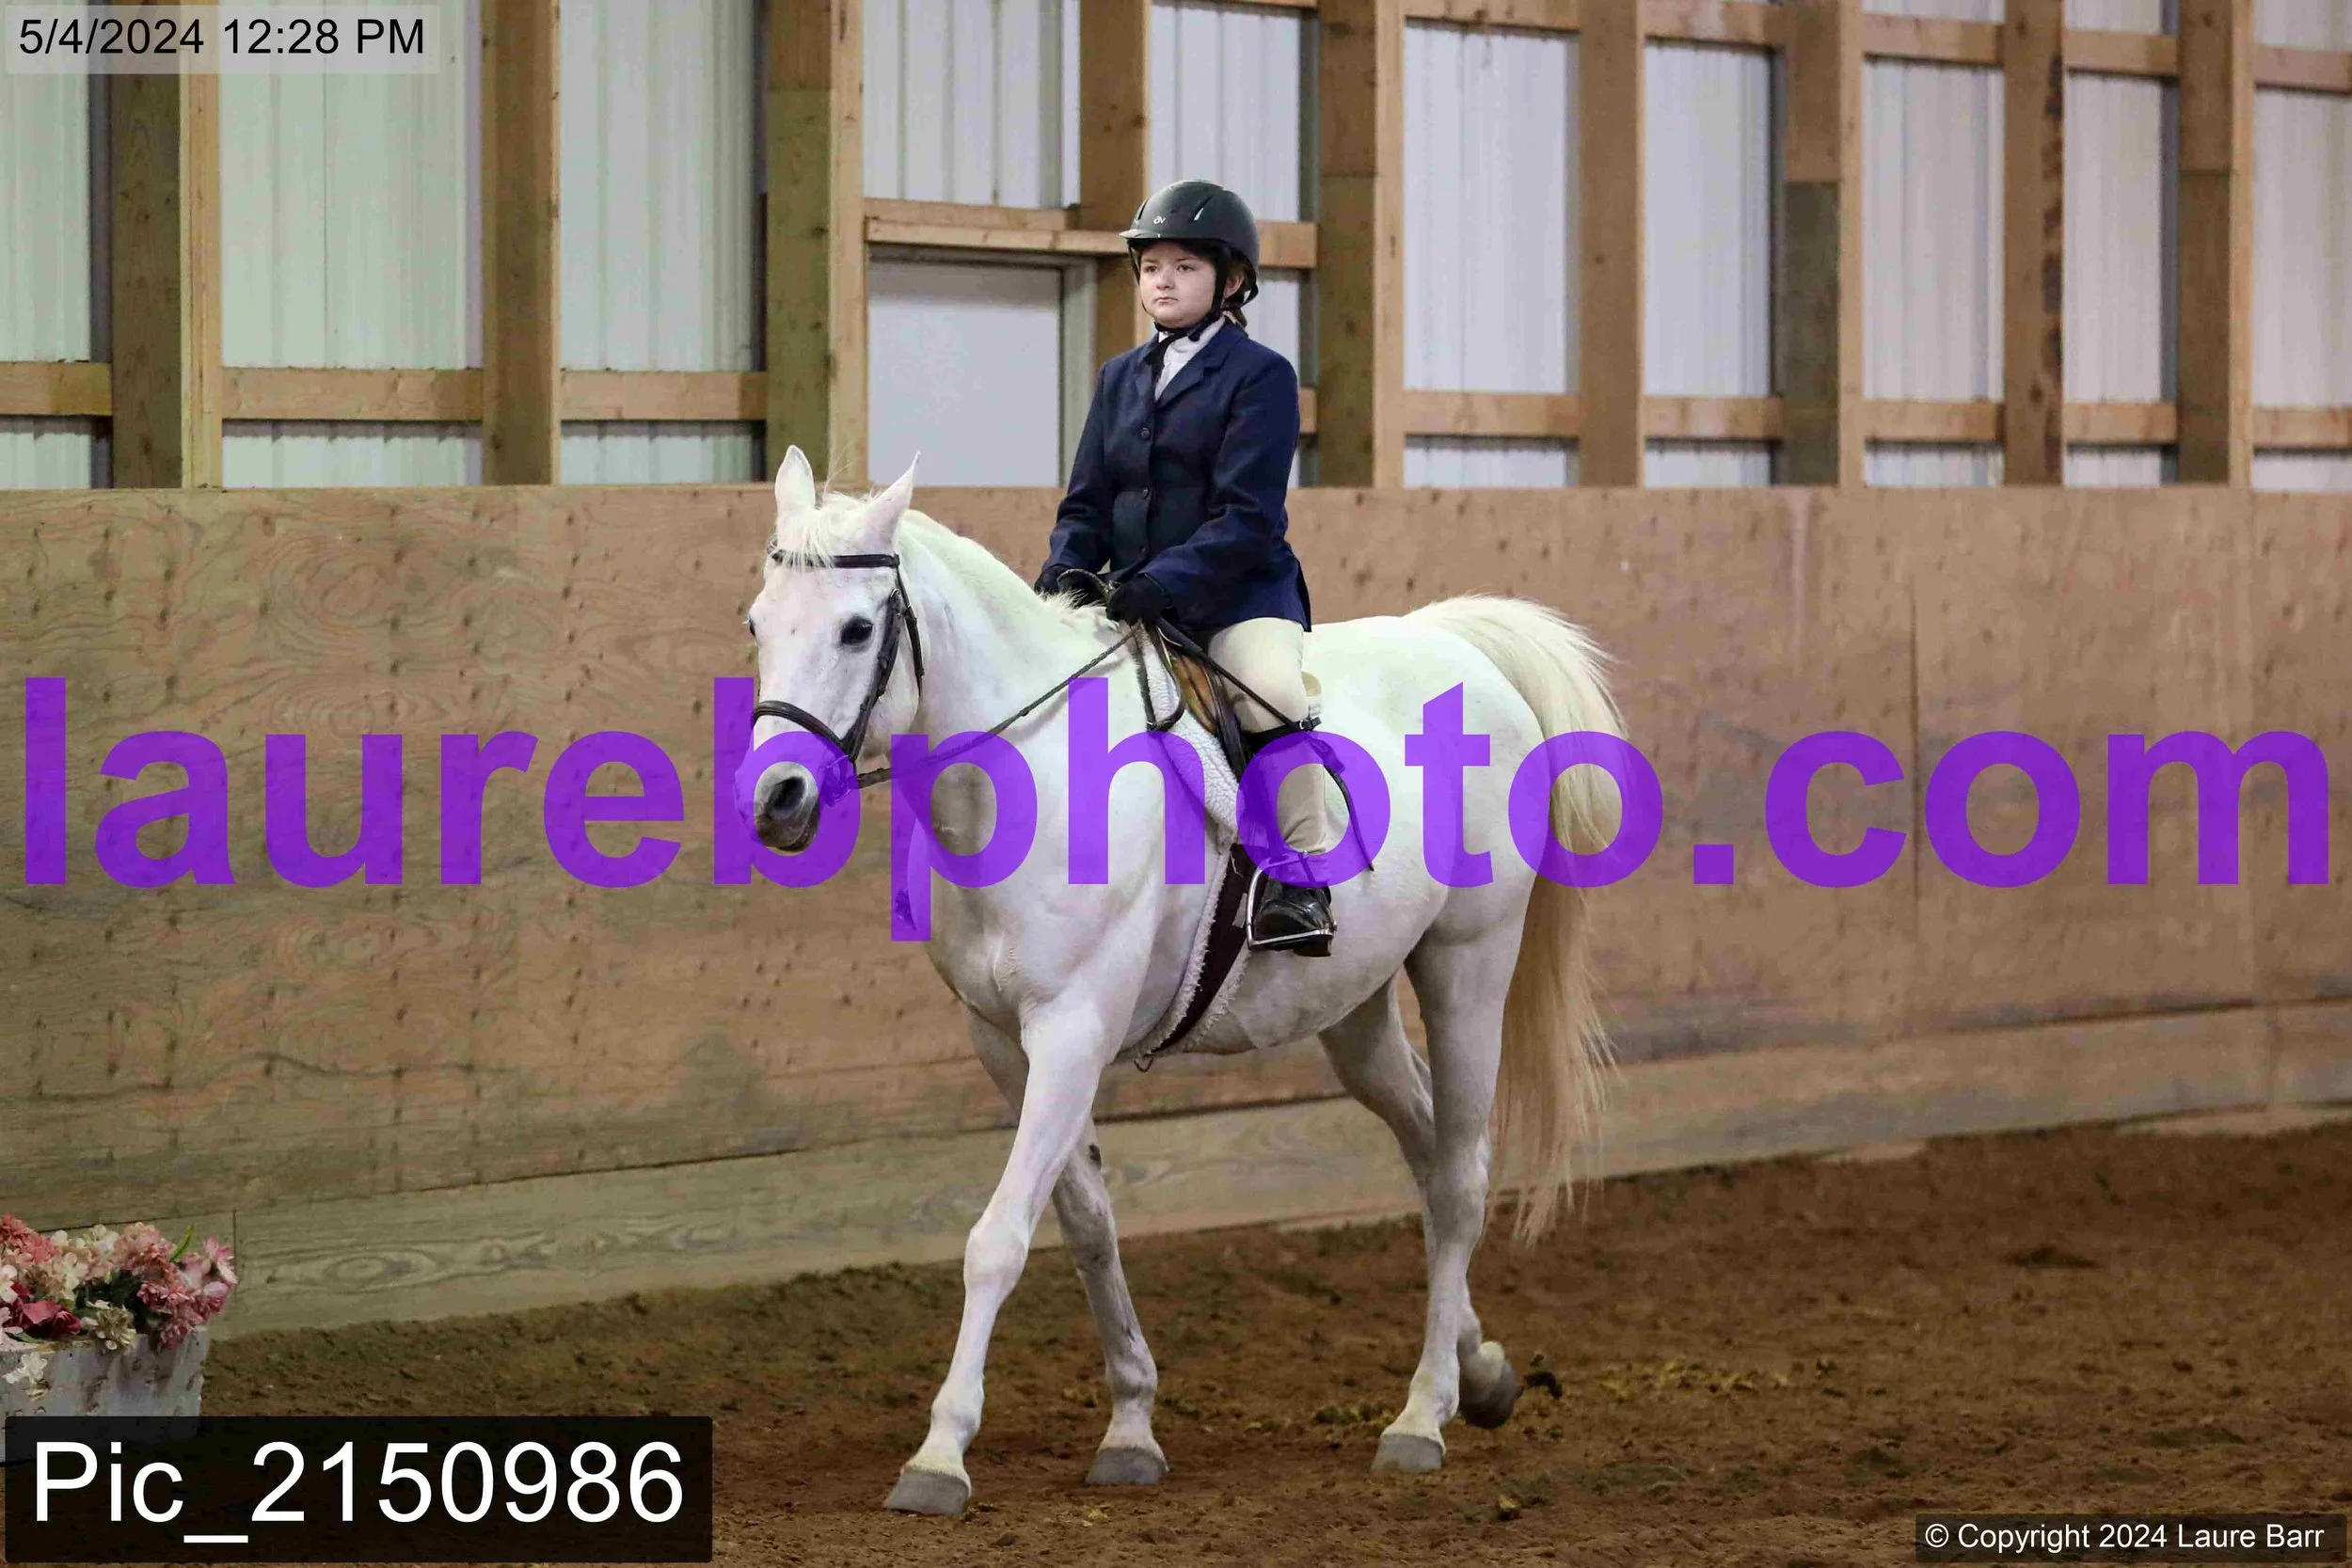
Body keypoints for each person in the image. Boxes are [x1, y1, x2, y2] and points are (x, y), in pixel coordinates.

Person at [1033, 179, 1337, 957]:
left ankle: (1302, 876)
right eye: (1151, 267)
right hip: (1131, 597)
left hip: (1237, 594)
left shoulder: (1260, 375)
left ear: (1231, 281)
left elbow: (1247, 516)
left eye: (1184, 267)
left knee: (1268, 690)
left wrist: (1165, 581)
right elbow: (1086, 502)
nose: (1162, 281)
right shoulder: (1118, 376)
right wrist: (1066, 569)